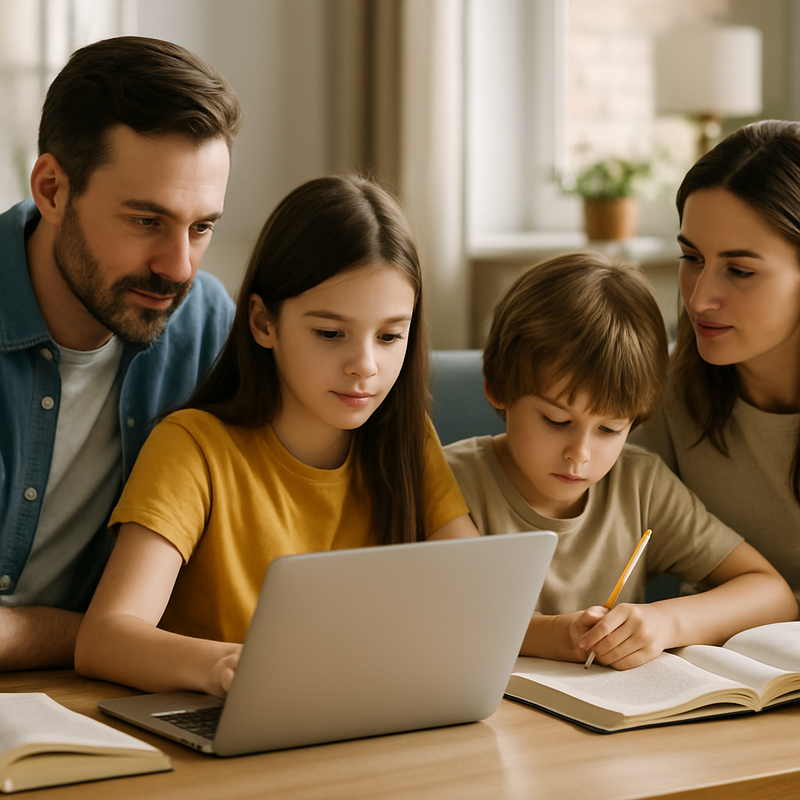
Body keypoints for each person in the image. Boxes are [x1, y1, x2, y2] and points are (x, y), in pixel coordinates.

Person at [74, 175, 477, 697]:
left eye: (390, 336)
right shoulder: (192, 448)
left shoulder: (406, 439)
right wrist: (224, 666)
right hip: (226, 723)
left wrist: (571, 633)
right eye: (331, 334)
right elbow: (103, 638)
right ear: (263, 323)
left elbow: (479, 603)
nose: (364, 366)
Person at [0, 36, 242, 671]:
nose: (177, 267)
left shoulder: (206, 326)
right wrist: (99, 635)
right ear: (52, 190)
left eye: (201, 226)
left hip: (109, 696)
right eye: (145, 221)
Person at [445, 252, 797, 670]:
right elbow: (440, 619)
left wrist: (667, 622)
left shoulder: (640, 485)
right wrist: (555, 635)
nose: (581, 453)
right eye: (557, 420)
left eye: (610, 430)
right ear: (498, 388)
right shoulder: (446, 484)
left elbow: (773, 594)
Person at [631, 120, 800, 608]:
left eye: (740, 271)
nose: (700, 299)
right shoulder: (661, 389)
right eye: (691, 257)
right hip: (709, 673)